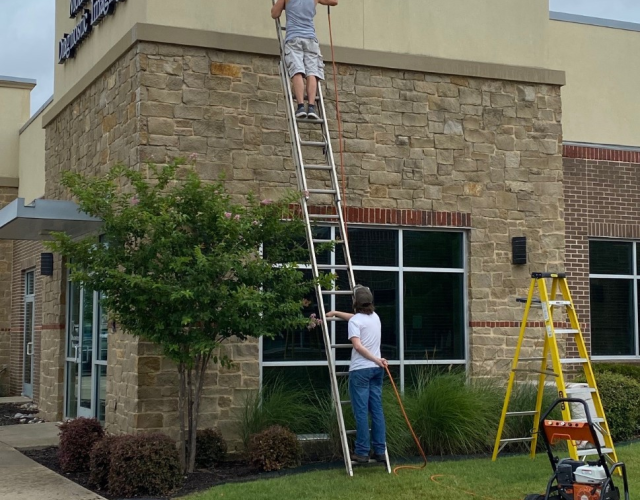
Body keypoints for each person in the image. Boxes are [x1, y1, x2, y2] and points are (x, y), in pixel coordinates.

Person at [327, 285, 388, 464]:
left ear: (355, 302)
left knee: (361, 412)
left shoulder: (356, 322)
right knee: (376, 410)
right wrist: (336, 313)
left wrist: (376, 360)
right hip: (376, 371)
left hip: (361, 370)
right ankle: (380, 450)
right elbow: (355, 318)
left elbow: (358, 346)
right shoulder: (375, 318)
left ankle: (362, 452)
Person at [270, 0, 338, 120]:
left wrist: (283, 5)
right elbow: (334, 1)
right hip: (310, 39)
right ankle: (311, 107)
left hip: (293, 39)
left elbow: (275, 14)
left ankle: (301, 107)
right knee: (312, 72)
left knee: (297, 71)